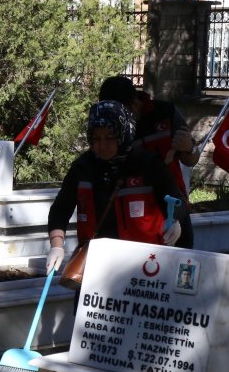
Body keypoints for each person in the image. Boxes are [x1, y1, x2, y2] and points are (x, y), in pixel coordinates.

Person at [45, 100, 185, 274]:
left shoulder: (147, 163)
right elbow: (60, 209)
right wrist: (56, 245)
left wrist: (175, 222)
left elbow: (176, 198)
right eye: (96, 139)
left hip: (144, 265)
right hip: (97, 264)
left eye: (109, 138)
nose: (102, 145)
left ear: (123, 135)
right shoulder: (82, 168)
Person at [98, 75, 196, 248]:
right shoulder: (111, 126)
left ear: (135, 103)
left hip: (173, 207)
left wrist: (188, 148)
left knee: (180, 267)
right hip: (134, 213)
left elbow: (191, 159)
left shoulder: (166, 113)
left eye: (123, 113)